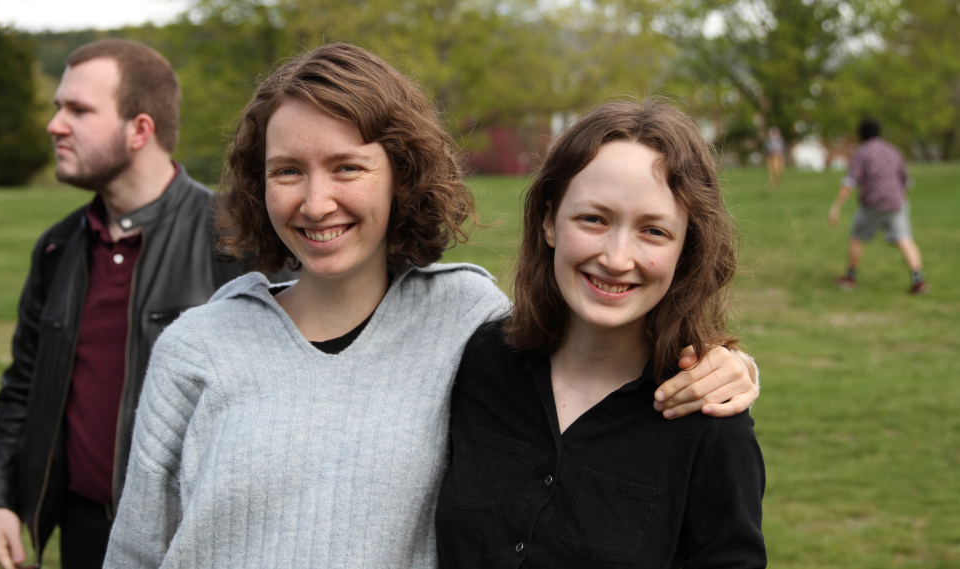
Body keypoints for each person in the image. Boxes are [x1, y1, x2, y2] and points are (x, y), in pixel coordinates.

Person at [103, 44, 760, 568]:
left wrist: (725, 363)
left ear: (400, 173)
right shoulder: (197, 346)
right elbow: (135, 548)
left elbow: (588, 330)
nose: (315, 201)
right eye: (287, 171)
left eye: (348, 168)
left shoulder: (463, 318)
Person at [437, 100, 766, 568]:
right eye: (594, 219)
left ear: (685, 249)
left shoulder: (709, 423)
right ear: (550, 221)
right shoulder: (482, 360)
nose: (616, 258)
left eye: (652, 231)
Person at [0, 40, 256, 569]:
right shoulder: (58, 248)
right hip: (83, 535)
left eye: (78, 110)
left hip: (199, 540)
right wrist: (1, 498)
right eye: (59, 107)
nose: (55, 124)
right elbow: (23, 385)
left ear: (140, 130)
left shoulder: (236, 240)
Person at [828, 119, 927, 294]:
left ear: (861, 134)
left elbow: (849, 182)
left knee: (857, 236)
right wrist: (898, 199)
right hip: (897, 202)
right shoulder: (893, 150)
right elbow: (907, 181)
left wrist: (835, 207)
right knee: (904, 238)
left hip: (873, 204)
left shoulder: (862, 153)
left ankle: (850, 278)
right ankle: (918, 280)